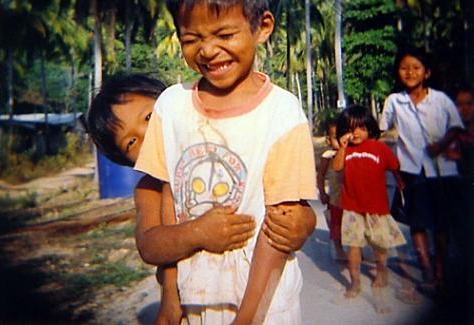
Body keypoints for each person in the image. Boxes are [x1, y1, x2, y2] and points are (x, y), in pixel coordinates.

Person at [135, 0, 317, 324]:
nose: (208, 50)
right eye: (191, 39)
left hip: (264, 307)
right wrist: (170, 294)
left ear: (261, 27)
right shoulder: (171, 106)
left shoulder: (282, 114)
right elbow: (168, 203)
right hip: (192, 301)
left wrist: (246, 319)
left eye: (224, 34)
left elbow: (279, 228)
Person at [87, 72, 316, 323]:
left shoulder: (237, 145)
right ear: (126, 160)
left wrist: (306, 221)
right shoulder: (148, 189)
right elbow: (149, 246)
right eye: (131, 141)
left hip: (266, 301)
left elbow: (290, 204)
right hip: (197, 305)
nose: (148, 134)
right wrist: (198, 233)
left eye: (149, 117)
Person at [379, 47, 464, 293]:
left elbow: (456, 127)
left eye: (416, 68)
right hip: (411, 170)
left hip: (442, 172)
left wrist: (442, 145)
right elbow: (382, 127)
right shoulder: (394, 101)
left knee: (440, 223)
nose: (410, 72)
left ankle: (440, 266)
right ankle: (426, 267)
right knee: (417, 221)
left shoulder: (440, 99)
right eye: (404, 68)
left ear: (427, 72)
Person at [332, 105, 405, 310]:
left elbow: (394, 166)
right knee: (353, 246)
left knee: (379, 245)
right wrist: (343, 147)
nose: (355, 133)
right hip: (352, 207)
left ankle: (381, 269)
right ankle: (355, 281)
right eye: (350, 128)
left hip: (377, 208)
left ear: (369, 128)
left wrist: (400, 181)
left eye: (361, 128)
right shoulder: (346, 151)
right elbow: (337, 168)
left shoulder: (379, 148)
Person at [316, 119, 346, 262]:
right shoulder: (328, 155)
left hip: (352, 197)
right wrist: (322, 192)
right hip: (334, 197)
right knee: (335, 223)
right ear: (328, 140)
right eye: (335, 137)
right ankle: (338, 248)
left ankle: (354, 251)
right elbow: (320, 174)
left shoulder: (350, 152)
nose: (340, 141)